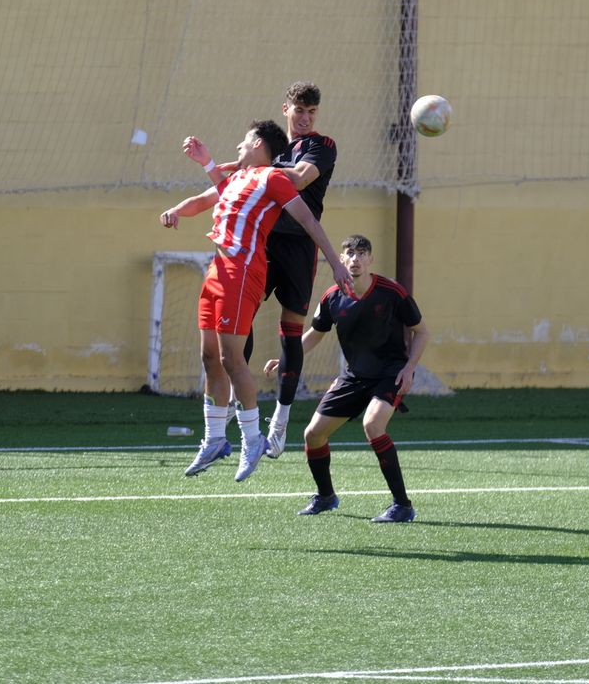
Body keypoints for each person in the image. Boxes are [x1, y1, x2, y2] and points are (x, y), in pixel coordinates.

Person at [160, 121, 353, 483]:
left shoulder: (273, 179)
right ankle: (215, 439)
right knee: (210, 358)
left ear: (259, 144)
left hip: (243, 270)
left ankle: (252, 440)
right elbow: (205, 199)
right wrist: (176, 208)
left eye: (244, 140)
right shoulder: (236, 179)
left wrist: (335, 263)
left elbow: (309, 220)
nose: (238, 144)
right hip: (218, 269)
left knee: (233, 359)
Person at [198, 82, 337, 460]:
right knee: (238, 321)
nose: (306, 118)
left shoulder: (320, 147)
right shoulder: (272, 148)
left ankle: (280, 422)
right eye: (300, 110)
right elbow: (230, 189)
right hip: (263, 244)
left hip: (298, 248)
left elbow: (299, 178)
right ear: (286, 110)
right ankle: (233, 407)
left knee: (290, 333)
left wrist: (258, 165)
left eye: (312, 112)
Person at [269, 234, 427, 523]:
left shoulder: (392, 292)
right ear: (341, 259)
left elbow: (422, 331)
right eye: (350, 254)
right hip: (355, 376)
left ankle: (402, 505)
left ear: (370, 259)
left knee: (373, 425)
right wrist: (285, 359)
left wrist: (408, 368)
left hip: (390, 371)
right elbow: (315, 334)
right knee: (313, 434)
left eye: (362, 253)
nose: (355, 259)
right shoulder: (332, 297)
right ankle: (326, 496)